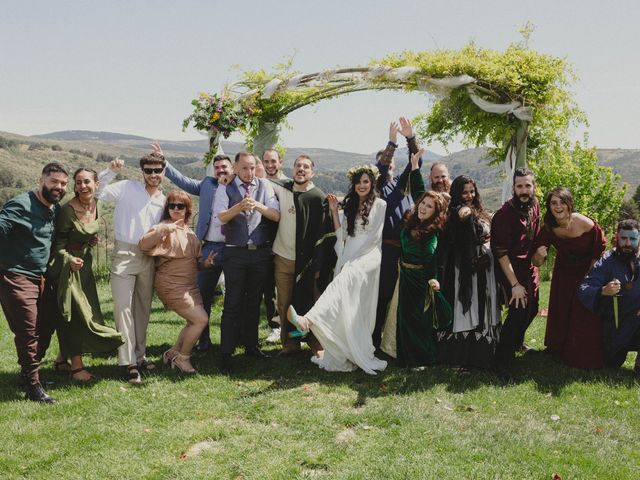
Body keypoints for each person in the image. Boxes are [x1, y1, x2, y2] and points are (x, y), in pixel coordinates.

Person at [287, 165, 387, 374]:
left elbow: (374, 237)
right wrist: (334, 212)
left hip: (367, 256)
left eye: (366, 182)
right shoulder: (349, 204)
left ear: (372, 184)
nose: (362, 185)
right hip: (348, 251)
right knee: (345, 301)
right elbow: (342, 235)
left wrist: (354, 262)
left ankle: (308, 319)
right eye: (358, 182)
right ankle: (344, 350)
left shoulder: (380, 204)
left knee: (344, 281)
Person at [42, 167, 124, 382]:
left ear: (96, 184)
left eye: (87, 181)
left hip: (85, 266)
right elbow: (57, 245)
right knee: (75, 314)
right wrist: (69, 259)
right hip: (66, 267)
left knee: (86, 311)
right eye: (78, 182)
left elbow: (85, 232)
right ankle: (77, 368)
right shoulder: (67, 211)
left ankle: (61, 360)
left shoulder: (97, 204)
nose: (82, 186)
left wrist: (89, 241)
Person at [0, 162, 68, 403]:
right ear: (41, 180)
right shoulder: (21, 204)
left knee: (46, 325)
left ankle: (27, 374)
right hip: (15, 275)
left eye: (62, 184)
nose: (58, 187)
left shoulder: (54, 208)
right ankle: (33, 386)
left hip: (41, 277)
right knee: (28, 331)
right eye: (54, 182)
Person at [96, 149, 166, 383]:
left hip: (149, 256)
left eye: (157, 170)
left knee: (143, 308)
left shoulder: (163, 200)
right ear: (142, 172)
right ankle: (128, 363)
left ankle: (140, 355)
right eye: (149, 170)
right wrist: (110, 172)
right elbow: (98, 192)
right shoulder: (127, 187)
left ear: (163, 171)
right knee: (123, 308)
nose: (153, 174)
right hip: (124, 253)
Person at [381, 150, 452, 366]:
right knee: (401, 317)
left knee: (418, 319)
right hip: (404, 274)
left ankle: (420, 357)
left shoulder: (433, 231)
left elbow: (431, 258)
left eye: (429, 207)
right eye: (422, 204)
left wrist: (433, 280)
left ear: (435, 212)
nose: (423, 207)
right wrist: (413, 167)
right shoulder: (413, 221)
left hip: (421, 279)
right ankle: (398, 352)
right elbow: (422, 192)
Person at [213, 151, 280, 373]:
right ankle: (226, 352)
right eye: (244, 168)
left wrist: (257, 205)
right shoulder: (226, 187)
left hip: (260, 253)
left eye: (252, 167)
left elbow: (276, 214)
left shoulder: (265, 186)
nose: (249, 172)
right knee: (232, 303)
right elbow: (220, 216)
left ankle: (252, 346)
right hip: (235, 253)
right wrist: (239, 207)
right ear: (235, 167)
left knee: (254, 302)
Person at [160, 146, 233, 352]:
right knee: (203, 295)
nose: (220, 170)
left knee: (235, 295)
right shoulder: (207, 185)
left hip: (234, 248)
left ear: (232, 168)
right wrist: (164, 163)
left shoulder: (238, 186)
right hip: (210, 247)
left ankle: (233, 339)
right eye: (217, 167)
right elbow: (182, 181)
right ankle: (203, 340)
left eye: (224, 167)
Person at [139, 191, 215, 373]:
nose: (175, 209)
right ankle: (183, 358)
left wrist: (205, 264)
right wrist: (163, 230)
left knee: (193, 321)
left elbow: (193, 263)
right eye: (171, 205)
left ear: (187, 209)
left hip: (190, 286)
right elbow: (143, 245)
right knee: (200, 320)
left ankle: (171, 353)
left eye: (180, 206)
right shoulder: (164, 227)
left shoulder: (188, 231)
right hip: (171, 284)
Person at [532, 187, 606, 368]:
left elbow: (598, 253)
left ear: (569, 204)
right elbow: (536, 262)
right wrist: (540, 254)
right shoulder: (549, 227)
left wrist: (589, 280)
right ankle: (558, 348)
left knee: (583, 311)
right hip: (563, 273)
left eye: (562, 202)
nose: (558, 207)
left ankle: (581, 351)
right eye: (553, 203)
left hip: (588, 271)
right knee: (562, 309)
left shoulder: (586, 223)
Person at [270, 154, 332, 355]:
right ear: (292, 169)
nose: (301, 169)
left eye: (306, 167)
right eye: (298, 166)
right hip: (284, 258)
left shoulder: (318, 198)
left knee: (313, 303)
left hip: (308, 263)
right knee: (284, 302)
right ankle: (289, 345)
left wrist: (318, 265)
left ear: (312, 172)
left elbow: (324, 235)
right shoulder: (282, 188)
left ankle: (317, 345)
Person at [438, 175, 501, 370]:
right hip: (465, 270)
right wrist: (465, 211)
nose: (469, 195)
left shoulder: (483, 212)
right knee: (469, 307)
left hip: (485, 269)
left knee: (485, 306)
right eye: (464, 192)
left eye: (472, 191)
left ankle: (485, 356)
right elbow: (462, 214)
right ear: (456, 193)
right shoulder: (456, 211)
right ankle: (463, 357)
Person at [373, 117, 422, 350]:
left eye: (393, 164)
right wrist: (392, 143)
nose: (390, 167)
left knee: (399, 297)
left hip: (405, 249)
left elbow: (416, 164)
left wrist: (410, 138)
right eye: (387, 164)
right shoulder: (378, 185)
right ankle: (374, 340)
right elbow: (381, 169)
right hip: (385, 250)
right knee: (382, 297)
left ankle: (396, 340)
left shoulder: (402, 185)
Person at [490, 167, 541, 380]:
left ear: (533, 187)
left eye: (527, 185)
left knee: (533, 308)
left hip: (529, 268)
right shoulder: (504, 215)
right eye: (519, 186)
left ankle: (517, 342)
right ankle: (502, 361)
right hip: (509, 269)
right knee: (519, 310)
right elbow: (500, 254)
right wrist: (514, 285)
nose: (523, 190)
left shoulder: (535, 205)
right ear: (513, 188)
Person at [578, 219, 640, 380]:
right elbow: (584, 289)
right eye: (624, 238)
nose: (628, 243)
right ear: (617, 238)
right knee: (611, 363)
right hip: (615, 326)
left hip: (637, 321)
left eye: (632, 239)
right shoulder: (607, 260)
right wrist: (603, 290)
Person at [261, 149, 288, 340]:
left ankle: (292, 328)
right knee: (268, 286)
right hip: (265, 241)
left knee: (286, 287)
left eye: (273, 161)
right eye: (266, 162)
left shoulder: (288, 184)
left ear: (280, 162)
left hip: (286, 241)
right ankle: (275, 325)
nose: (270, 165)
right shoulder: (260, 184)